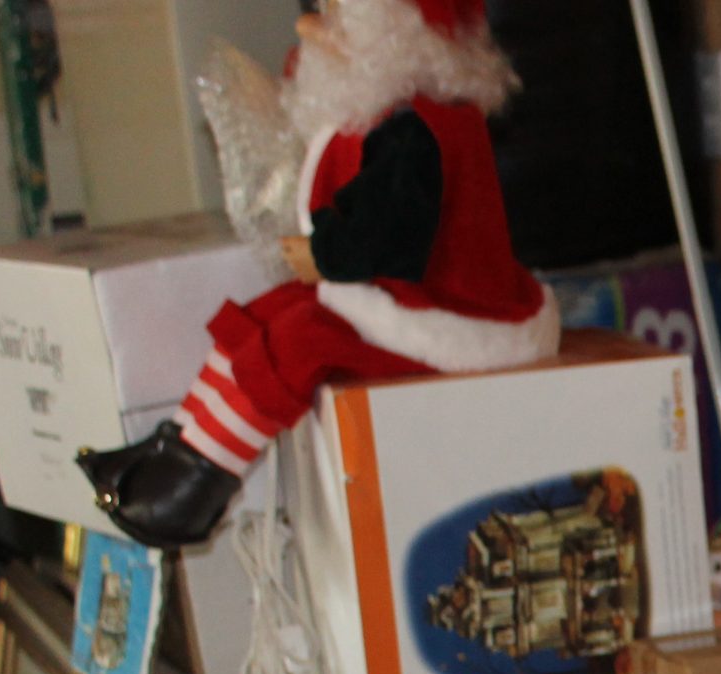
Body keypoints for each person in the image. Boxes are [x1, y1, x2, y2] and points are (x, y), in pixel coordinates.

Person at [78, 0, 556, 548]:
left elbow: (386, 237)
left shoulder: (417, 128)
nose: (310, 27)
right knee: (269, 312)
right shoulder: (389, 111)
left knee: (298, 340)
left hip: (448, 316)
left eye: (336, 17)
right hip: (394, 296)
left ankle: (191, 487)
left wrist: (322, 253)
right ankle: (176, 447)